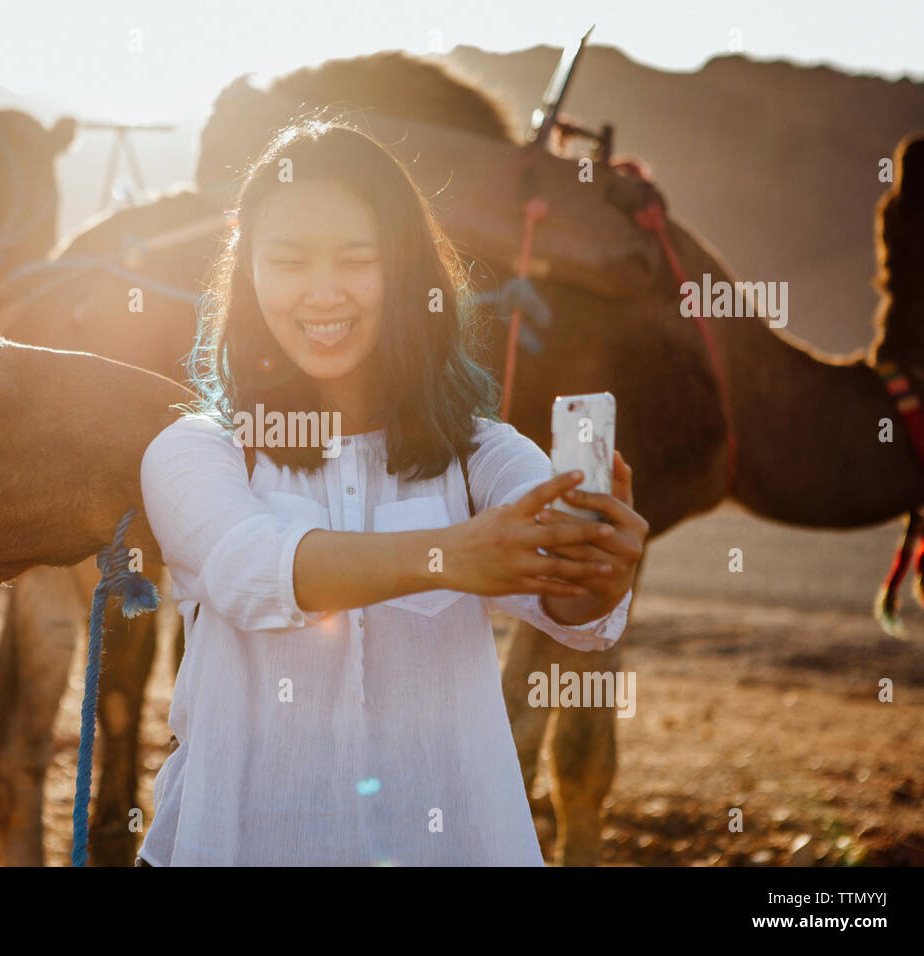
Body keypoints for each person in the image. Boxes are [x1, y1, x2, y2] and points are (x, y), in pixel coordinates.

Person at [134, 120, 647, 866]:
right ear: (248, 276)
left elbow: (570, 608)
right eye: (286, 261)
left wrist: (598, 568)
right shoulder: (198, 451)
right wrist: (449, 557)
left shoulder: (485, 455)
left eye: (356, 259)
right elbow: (253, 569)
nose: (321, 292)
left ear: (404, 270)